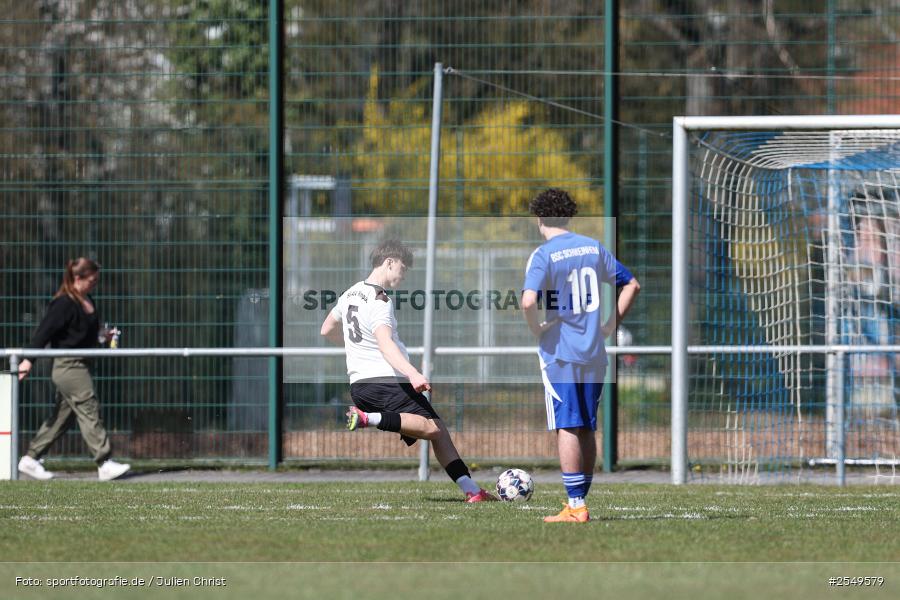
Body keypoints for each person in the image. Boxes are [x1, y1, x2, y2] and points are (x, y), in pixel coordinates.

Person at [320, 239, 496, 502]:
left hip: (360, 384)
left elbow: (327, 329)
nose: (404, 275)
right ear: (389, 262)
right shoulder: (379, 299)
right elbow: (385, 344)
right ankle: (367, 418)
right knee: (432, 429)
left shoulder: (350, 293)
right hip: (386, 381)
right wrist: (413, 373)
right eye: (403, 268)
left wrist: (359, 350)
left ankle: (472, 491)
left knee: (438, 429)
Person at [522, 189, 640, 522]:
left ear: (540, 219)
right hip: (594, 352)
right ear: (568, 216)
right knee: (586, 426)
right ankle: (578, 501)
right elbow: (632, 284)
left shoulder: (544, 254)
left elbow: (528, 301)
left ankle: (576, 506)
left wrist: (537, 329)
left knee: (567, 426)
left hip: (561, 353)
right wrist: (609, 326)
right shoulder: (593, 247)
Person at [17, 258, 131, 482]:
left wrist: (103, 335)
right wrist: (28, 360)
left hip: (82, 363)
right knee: (89, 407)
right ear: (77, 278)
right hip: (68, 366)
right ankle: (104, 461)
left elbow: (83, 334)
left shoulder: (87, 300)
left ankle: (31, 458)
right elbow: (43, 332)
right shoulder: (63, 303)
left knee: (62, 417)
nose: (94, 284)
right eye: (92, 280)